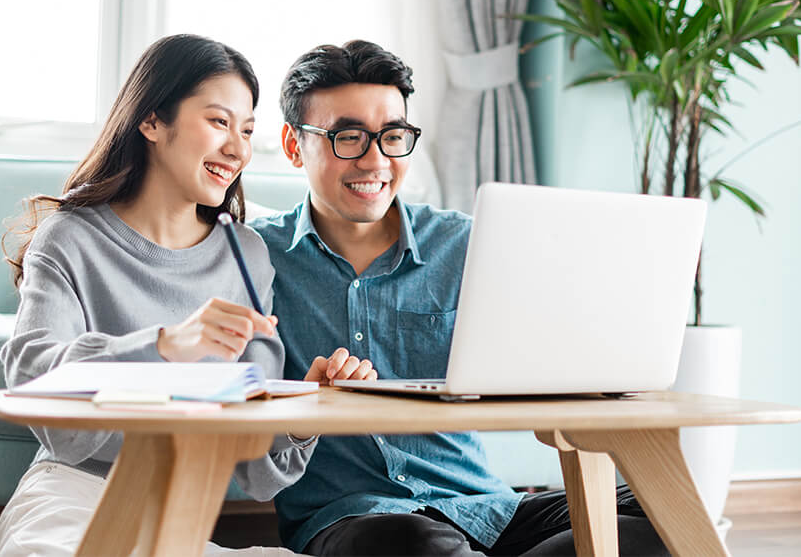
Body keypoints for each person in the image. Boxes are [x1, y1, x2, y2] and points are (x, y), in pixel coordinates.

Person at [249, 40, 670, 556]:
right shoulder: (255, 258)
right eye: (349, 137)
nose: (376, 160)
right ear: (294, 145)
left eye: (393, 135)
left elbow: (548, 350)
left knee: (659, 510)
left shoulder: (469, 244)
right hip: (358, 517)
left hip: (483, 505)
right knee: (411, 542)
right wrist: (305, 401)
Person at [0, 34, 376, 557]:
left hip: (182, 518)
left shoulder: (245, 254)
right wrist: (168, 344)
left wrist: (299, 406)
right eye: (219, 122)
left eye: (245, 130)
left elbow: (259, 475)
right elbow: (32, 378)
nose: (238, 149)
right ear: (151, 121)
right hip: (74, 499)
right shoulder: (70, 238)